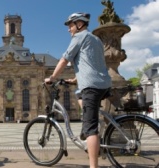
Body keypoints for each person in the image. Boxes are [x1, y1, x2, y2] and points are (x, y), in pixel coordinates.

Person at [45, 12, 111, 168]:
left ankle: (93, 164)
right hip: (104, 83)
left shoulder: (79, 37)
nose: (69, 29)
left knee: (90, 128)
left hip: (92, 86)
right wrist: (75, 79)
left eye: (70, 25)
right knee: (77, 93)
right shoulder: (96, 39)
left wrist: (52, 77)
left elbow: (65, 59)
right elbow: (94, 62)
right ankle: (91, 122)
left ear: (79, 24)